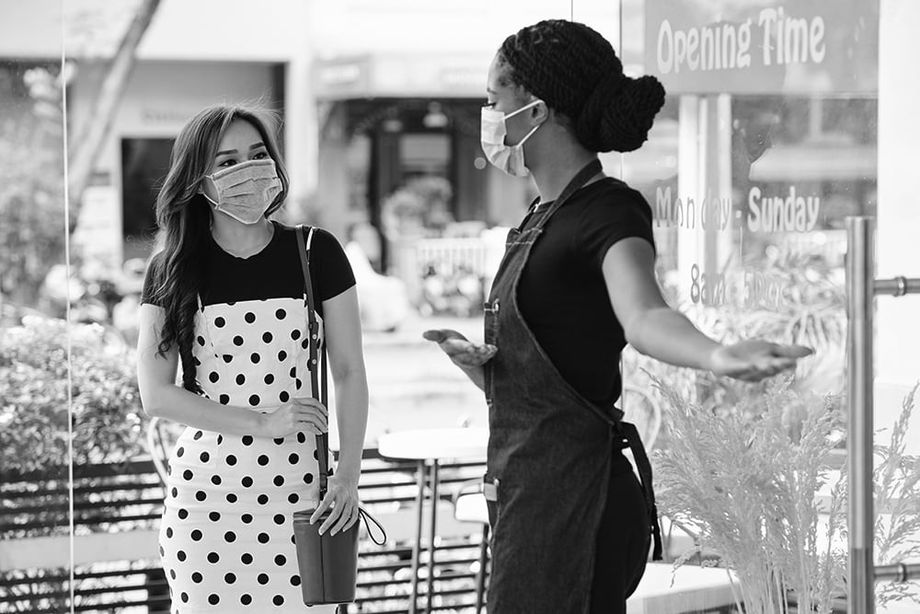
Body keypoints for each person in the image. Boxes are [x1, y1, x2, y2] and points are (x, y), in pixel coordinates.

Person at [423, 20, 813, 614]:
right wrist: (483, 371)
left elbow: (644, 314)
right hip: (531, 495)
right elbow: (555, 378)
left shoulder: (608, 209)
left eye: (492, 100)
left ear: (537, 110)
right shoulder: (536, 216)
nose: (486, 115)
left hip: (579, 500)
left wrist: (716, 354)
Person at [136, 104, 368, 613]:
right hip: (207, 504)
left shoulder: (317, 251)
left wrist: (348, 476)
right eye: (227, 162)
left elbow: (349, 371)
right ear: (198, 180)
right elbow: (156, 395)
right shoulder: (171, 269)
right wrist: (262, 422)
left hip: (307, 500)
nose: (249, 170)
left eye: (258, 155)